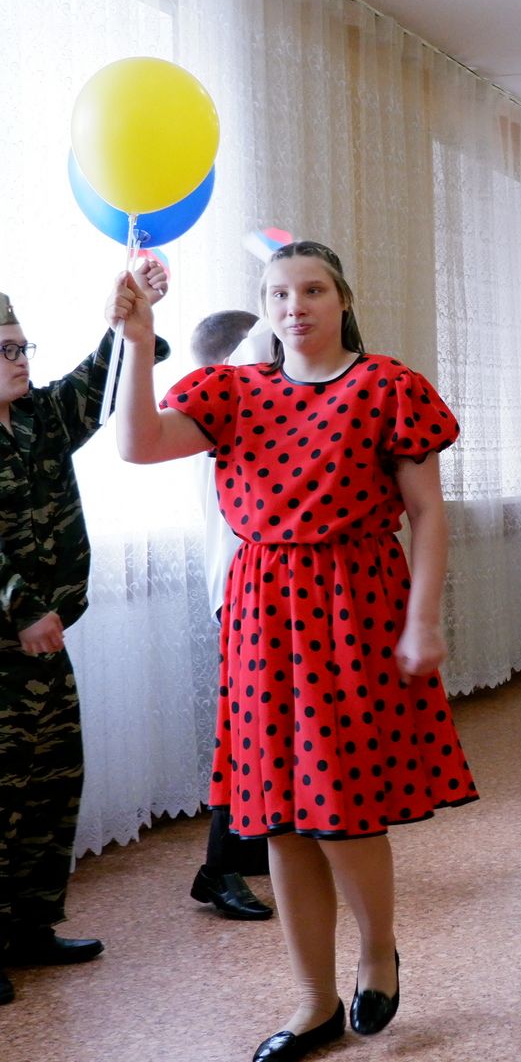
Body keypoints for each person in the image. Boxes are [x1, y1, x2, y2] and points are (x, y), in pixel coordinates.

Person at [109, 241, 479, 1061]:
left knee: (342, 808)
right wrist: (137, 342)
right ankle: (313, 1001)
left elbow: (427, 513)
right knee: (279, 818)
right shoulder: (234, 390)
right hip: (263, 612)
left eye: (312, 290)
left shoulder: (386, 387)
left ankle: (376, 950)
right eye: (279, 293)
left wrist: (423, 618)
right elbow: (137, 443)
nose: (294, 306)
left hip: (354, 604)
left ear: (342, 299)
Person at [0, 260, 168, 1006]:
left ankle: (30, 928)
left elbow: (103, 386)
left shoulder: (37, 417)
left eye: (24, 347)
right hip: (10, 641)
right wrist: (21, 607)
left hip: (47, 646)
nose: (22, 360)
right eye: (7, 350)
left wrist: (129, 317)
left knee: (50, 786)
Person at [184, 310, 273, 921]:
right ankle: (218, 869)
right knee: (248, 734)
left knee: (270, 726)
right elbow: (265, 336)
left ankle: (255, 847)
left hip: (259, 587)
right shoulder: (225, 404)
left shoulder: (238, 408)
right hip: (245, 590)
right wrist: (290, 269)